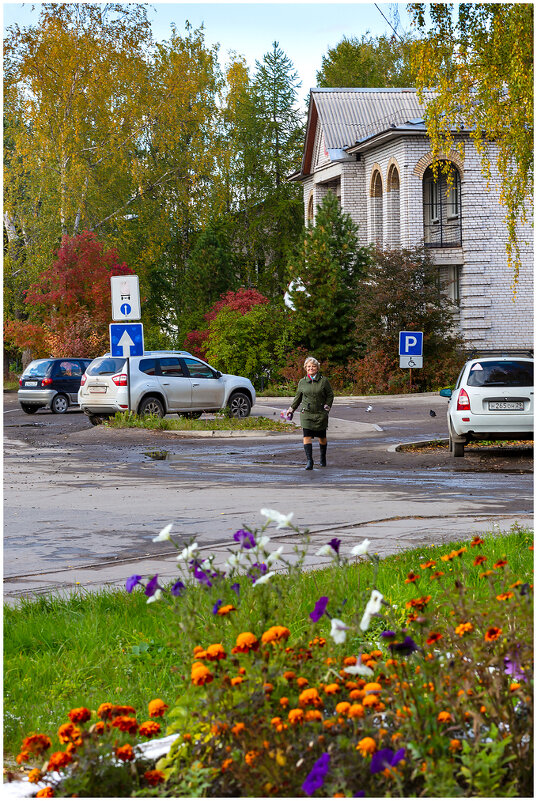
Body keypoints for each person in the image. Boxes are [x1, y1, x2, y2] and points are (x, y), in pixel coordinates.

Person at [287, 356, 334, 470]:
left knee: (322, 437)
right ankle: (310, 461)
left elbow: (330, 395)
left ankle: (322, 458)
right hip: (306, 413)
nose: (311, 368)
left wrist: (327, 406)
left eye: (313, 366)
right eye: (308, 366)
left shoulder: (324, 381)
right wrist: (291, 409)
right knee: (306, 436)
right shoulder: (302, 382)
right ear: (305, 368)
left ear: (317, 368)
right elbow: (298, 397)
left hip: (320, 413)